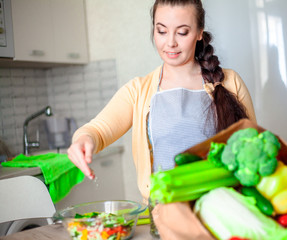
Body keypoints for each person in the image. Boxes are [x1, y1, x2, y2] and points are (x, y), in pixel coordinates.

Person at [67, 0, 256, 201]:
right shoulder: (138, 90)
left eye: (182, 32)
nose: (170, 43)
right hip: (162, 215)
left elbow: (253, 147)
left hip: (223, 210)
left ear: (200, 33)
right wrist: (83, 140)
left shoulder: (229, 82)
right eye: (162, 31)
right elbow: (98, 130)